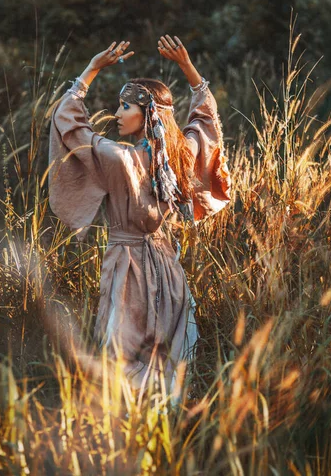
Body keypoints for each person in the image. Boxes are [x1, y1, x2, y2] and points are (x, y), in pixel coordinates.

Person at [48, 35, 231, 393]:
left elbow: (69, 123)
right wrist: (188, 68)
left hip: (127, 267)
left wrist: (90, 70)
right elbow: (205, 121)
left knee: (122, 354)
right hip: (167, 269)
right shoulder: (180, 155)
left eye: (124, 107)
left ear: (147, 113)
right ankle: (168, 431)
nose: (117, 114)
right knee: (165, 359)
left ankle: (126, 432)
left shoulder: (120, 159)